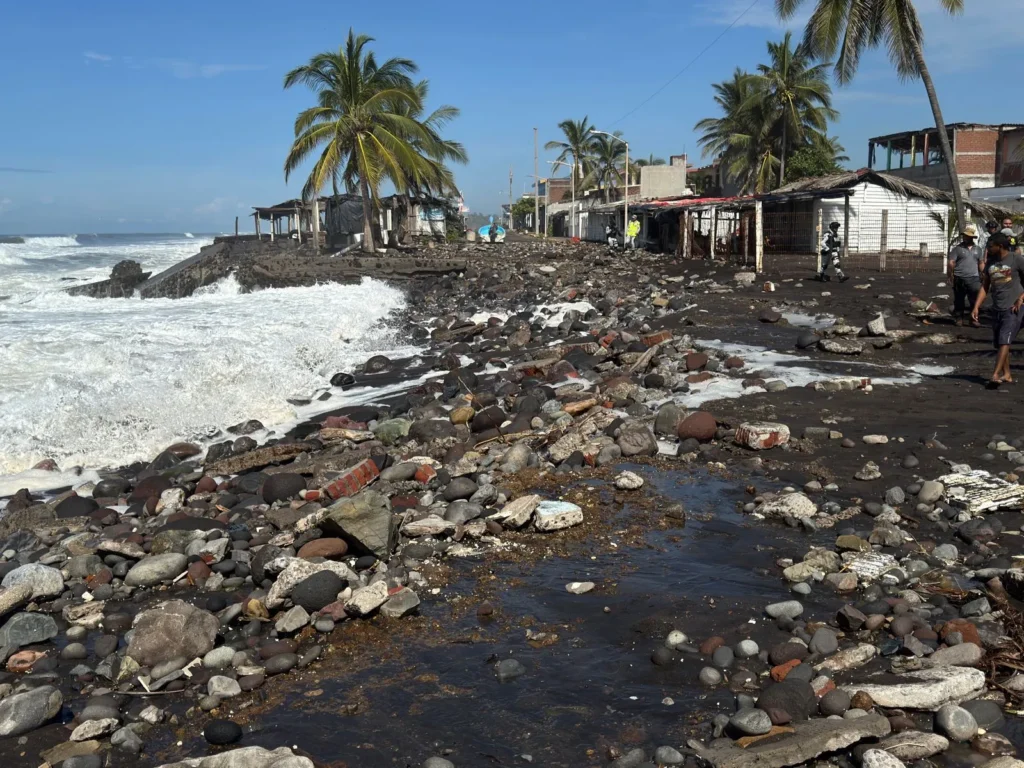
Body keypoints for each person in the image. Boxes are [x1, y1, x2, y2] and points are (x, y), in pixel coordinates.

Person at [971, 232, 1024, 385]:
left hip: (1013, 308)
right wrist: (976, 307)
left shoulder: (1016, 259)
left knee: (1004, 342)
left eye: (990, 246)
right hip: (997, 308)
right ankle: (1007, 374)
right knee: (999, 343)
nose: (988, 249)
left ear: (1000, 246)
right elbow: (985, 286)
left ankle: (995, 375)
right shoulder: (991, 263)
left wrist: (1021, 299)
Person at [947, 224, 983, 327]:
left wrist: (983, 274)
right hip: (959, 277)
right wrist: (950, 275)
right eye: (964, 236)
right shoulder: (957, 249)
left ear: (972, 237)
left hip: (974, 278)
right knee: (959, 299)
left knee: (974, 300)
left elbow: (980, 263)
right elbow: (951, 262)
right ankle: (959, 318)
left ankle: (974, 319)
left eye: (967, 236)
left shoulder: (978, 249)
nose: (965, 237)